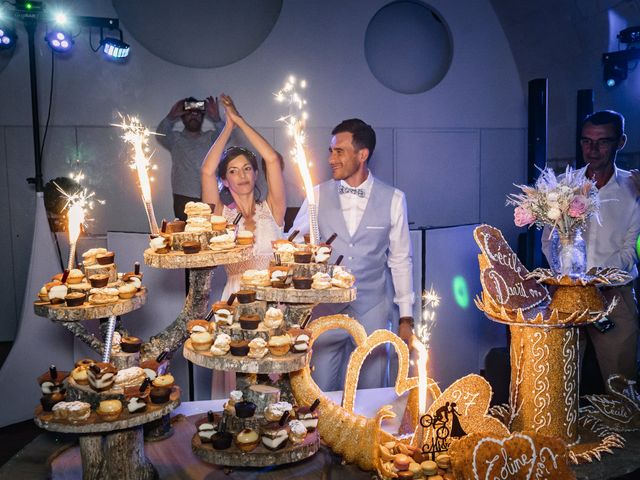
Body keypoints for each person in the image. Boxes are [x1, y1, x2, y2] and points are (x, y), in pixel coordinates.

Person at [291, 118, 415, 392]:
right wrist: (303, 250)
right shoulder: (316, 195)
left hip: (373, 308)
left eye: (339, 151)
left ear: (362, 155)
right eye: (330, 151)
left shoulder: (394, 199)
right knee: (318, 392)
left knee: (372, 392)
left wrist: (406, 317)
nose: (331, 159)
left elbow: (400, 260)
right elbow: (294, 244)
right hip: (326, 310)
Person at [542, 110, 640, 384]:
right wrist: (572, 280)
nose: (592, 150)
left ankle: (623, 428)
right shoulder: (564, 185)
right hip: (566, 293)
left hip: (614, 295)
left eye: (602, 142)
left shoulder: (633, 187)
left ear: (620, 142)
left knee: (622, 384)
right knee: (558, 383)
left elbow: (631, 248)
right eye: (586, 141)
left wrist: (597, 281)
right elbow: (549, 240)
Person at [201, 94, 286, 300]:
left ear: (256, 174)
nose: (242, 175)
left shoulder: (273, 209)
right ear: (225, 180)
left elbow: (272, 159)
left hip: (273, 296)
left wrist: (240, 121)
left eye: (247, 169)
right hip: (235, 298)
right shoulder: (221, 217)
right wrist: (228, 128)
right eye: (233, 171)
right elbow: (206, 171)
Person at [157, 96, 224, 220]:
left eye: (197, 114)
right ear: (182, 117)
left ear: (203, 117)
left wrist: (216, 119)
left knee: (212, 234)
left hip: (210, 195)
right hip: (183, 198)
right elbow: (160, 134)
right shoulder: (175, 139)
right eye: (189, 114)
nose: (193, 116)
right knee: (186, 236)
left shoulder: (211, 138)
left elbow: (225, 135)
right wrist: (171, 116)